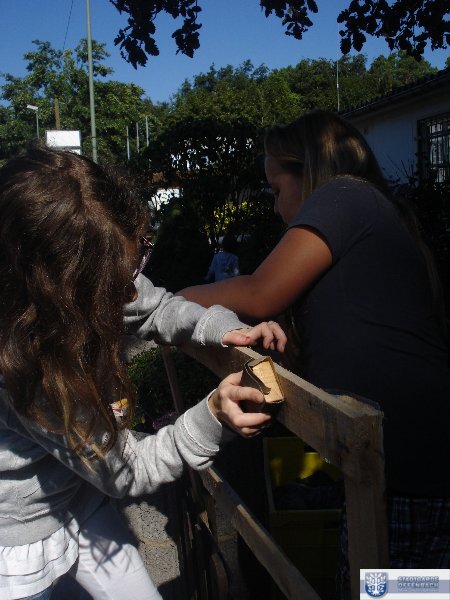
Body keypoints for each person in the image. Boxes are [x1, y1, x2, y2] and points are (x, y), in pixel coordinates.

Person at [0, 145, 286, 600]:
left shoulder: (99, 277)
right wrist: (212, 417)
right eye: (117, 283)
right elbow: (128, 469)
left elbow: (156, 307)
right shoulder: (24, 369)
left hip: (78, 488)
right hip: (21, 534)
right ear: (61, 291)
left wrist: (220, 329)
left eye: (136, 265)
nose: (131, 291)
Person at [178, 110, 450, 589]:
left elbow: (260, 291)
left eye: (276, 189)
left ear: (311, 173)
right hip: (404, 470)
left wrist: (172, 302)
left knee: (383, 591)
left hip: (410, 475)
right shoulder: (367, 213)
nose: (276, 208)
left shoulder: (343, 195)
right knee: (406, 591)